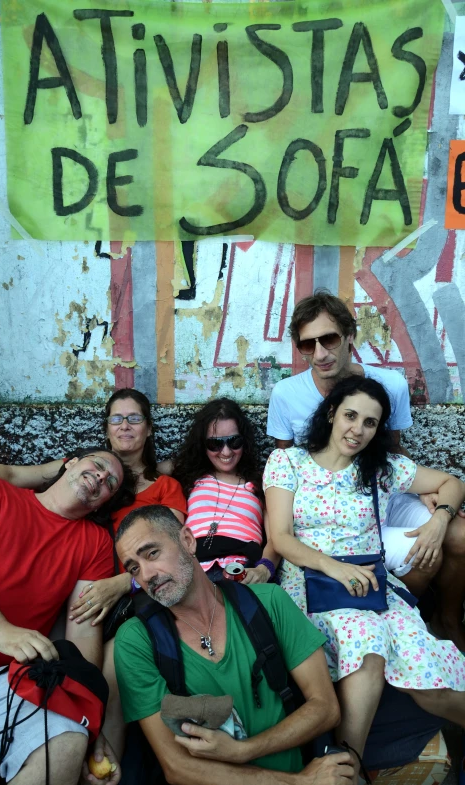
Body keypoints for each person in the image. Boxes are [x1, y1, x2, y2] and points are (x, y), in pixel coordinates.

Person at [0, 387, 187, 761]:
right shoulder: (5, 494)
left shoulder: (100, 534)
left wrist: (123, 582)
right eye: (116, 419)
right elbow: (6, 478)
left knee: (80, 720)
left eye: (135, 418)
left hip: (113, 601)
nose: (100, 478)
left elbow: (166, 555)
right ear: (73, 462)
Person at [264, 375, 465, 783]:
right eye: (351, 416)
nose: (357, 429)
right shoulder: (289, 462)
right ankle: (348, 766)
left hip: (373, 587)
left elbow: (452, 482)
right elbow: (281, 538)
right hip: (311, 583)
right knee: (369, 647)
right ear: (332, 412)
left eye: (370, 423)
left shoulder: (381, 468)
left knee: (428, 675)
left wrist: (438, 522)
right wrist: (334, 566)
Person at [267, 290, 465, 648]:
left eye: (328, 339)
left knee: (457, 535)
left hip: (379, 489)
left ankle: (434, 615)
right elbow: (282, 467)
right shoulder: (286, 394)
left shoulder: (388, 385)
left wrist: (437, 505)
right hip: (321, 502)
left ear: (349, 336)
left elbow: (394, 450)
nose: (320, 354)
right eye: (308, 345)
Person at [114, 504, 355, 785]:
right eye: (134, 568)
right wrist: (300, 782)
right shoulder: (136, 640)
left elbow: (326, 707)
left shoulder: (269, 602)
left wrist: (243, 751)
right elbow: (177, 767)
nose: (146, 575)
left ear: (188, 541)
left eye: (152, 553)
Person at [0, 447, 128, 785]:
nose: (100, 477)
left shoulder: (95, 542)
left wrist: (88, 718)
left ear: (101, 503)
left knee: (69, 741)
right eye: (97, 465)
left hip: (0, 683)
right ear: (70, 463)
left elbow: (83, 635)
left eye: (110, 483)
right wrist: (0, 629)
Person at [173, 398, 279, 583]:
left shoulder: (261, 481)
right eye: (215, 444)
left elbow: (276, 538)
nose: (226, 452)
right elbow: (145, 470)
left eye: (234, 441)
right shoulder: (190, 476)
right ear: (202, 445)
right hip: (192, 567)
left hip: (242, 567)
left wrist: (264, 570)